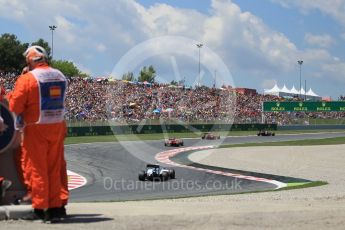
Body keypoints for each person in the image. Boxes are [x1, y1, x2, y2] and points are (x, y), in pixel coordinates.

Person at [8, 45, 68, 223]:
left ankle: (41, 209)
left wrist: (20, 80)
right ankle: (56, 207)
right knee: (54, 168)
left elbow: (15, 106)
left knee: (37, 169)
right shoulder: (60, 75)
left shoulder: (27, 79)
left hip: (36, 128)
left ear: (29, 61)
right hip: (57, 126)